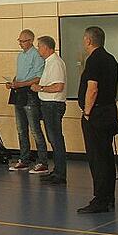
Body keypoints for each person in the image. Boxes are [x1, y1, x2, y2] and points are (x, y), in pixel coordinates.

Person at [77, 26, 118, 214]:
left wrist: (87, 113)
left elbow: (92, 88)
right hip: (109, 110)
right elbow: (115, 88)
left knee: (97, 157)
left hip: (96, 114)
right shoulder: (111, 59)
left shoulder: (94, 60)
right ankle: (109, 197)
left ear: (88, 40)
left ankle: (100, 199)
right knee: (106, 155)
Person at [5, 29, 49, 174]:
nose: (20, 43)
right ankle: (24, 159)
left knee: (35, 129)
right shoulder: (20, 56)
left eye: (23, 41)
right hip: (18, 92)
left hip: (29, 93)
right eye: (19, 41)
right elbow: (20, 75)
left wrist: (21, 84)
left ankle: (43, 161)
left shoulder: (37, 55)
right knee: (21, 129)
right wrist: (13, 83)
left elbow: (38, 77)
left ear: (30, 41)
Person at [30, 36, 68, 185]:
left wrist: (40, 88)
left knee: (56, 139)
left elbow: (58, 86)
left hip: (53, 105)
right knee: (53, 139)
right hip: (48, 105)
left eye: (39, 46)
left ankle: (60, 174)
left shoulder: (56, 63)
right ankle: (57, 171)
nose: (38, 49)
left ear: (46, 48)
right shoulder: (49, 62)